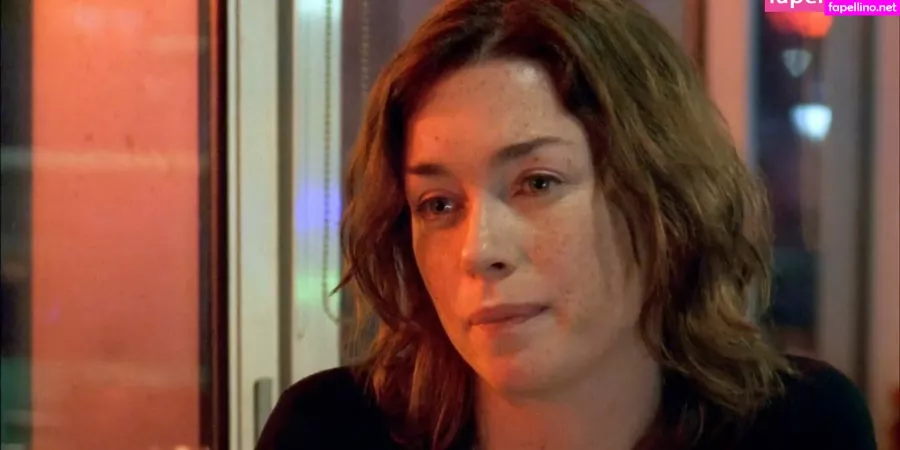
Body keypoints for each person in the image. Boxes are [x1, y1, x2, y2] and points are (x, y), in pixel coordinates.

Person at [256, 1, 876, 449]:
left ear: (662, 196)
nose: (479, 250)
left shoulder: (798, 426)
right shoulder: (330, 431)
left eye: (538, 183)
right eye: (438, 204)